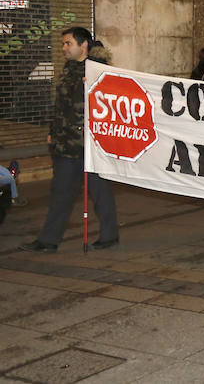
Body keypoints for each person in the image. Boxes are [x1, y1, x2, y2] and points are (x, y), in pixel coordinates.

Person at [20, 27, 119, 253]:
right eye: (63, 44)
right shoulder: (68, 68)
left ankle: (109, 235)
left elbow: (112, 102)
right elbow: (61, 105)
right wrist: (53, 130)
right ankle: (48, 240)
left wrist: (95, 85)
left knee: (99, 191)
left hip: (90, 143)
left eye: (68, 43)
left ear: (83, 45)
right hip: (65, 142)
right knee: (60, 192)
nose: (64, 48)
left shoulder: (98, 70)